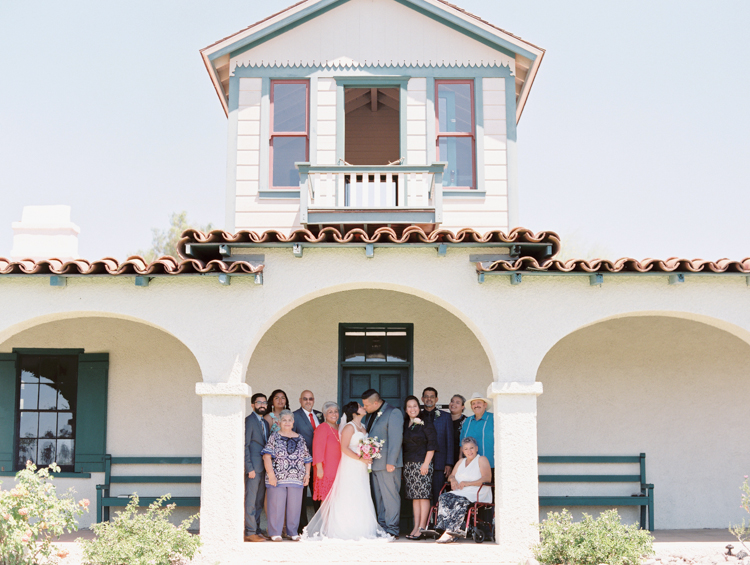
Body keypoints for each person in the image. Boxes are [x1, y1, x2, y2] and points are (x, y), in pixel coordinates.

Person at [302, 402, 391, 541]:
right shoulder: (340, 427)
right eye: (360, 406)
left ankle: (360, 526)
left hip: (353, 466)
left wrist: (369, 453)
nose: (364, 407)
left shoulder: (350, 427)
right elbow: (323, 448)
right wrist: (319, 467)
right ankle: (331, 528)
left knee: (357, 494)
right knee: (334, 497)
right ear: (354, 412)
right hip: (340, 466)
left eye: (335, 411)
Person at [262, 409, 312, 541]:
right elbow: (267, 456)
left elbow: (307, 458)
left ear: (293, 422)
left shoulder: (300, 438)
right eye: (284, 420)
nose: (287, 422)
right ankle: (275, 532)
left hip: (297, 478)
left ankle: (292, 532)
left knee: (294, 507)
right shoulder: (274, 437)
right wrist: (271, 475)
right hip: (277, 478)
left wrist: (307, 475)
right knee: (276, 505)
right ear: (279, 422)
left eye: (290, 420)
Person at [434, 436, 493, 543]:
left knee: (458, 500)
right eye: (466, 449)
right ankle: (444, 529)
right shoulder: (461, 461)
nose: (469, 451)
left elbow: (487, 478)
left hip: (476, 491)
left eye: (471, 448)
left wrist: (467, 483)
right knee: (444, 497)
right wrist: (453, 480)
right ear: (462, 450)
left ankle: (451, 531)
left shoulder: (481, 459)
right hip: (461, 491)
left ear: (476, 448)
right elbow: (451, 476)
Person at [361, 389, 403, 538]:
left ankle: (392, 529)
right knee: (379, 498)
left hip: (388, 464)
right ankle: (382, 526)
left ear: (376, 403)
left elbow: (396, 439)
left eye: (366, 405)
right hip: (375, 464)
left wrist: (391, 462)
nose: (364, 407)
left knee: (390, 496)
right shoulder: (371, 414)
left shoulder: (394, 413)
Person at [403, 395, 438, 540]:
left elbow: (432, 445)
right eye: (409, 406)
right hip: (410, 465)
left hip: (422, 464)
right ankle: (415, 527)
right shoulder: (406, 424)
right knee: (415, 498)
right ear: (406, 410)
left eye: (415, 406)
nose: (412, 409)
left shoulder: (426, 423)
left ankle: (422, 528)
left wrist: (425, 464)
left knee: (423, 497)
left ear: (419, 407)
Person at [292, 390, 323, 530]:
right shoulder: (294, 416)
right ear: (300, 400)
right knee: (302, 497)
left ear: (314, 400)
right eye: (305, 399)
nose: (308, 401)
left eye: (310, 398)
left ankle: (320, 525)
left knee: (319, 495)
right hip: (303, 463)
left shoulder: (320, 415)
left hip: (319, 463)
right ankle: (301, 527)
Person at [244, 393, 271, 542]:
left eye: (264, 402)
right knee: (251, 500)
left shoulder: (265, 423)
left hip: (263, 468)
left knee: (259, 501)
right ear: (252, 405)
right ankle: (249, 531)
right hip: (253, 469)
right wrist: (249, 468)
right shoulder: (249, 421)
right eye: (259, 402)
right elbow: (245, 445)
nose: (262, 405)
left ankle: (257, 529)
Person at [420, 387, 454, 504]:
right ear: (422, 399)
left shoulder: (445, 417)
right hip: (420, 462)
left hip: (440, 464)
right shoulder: (417, 416)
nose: (429, 399)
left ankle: (436, 521)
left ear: (436, 399)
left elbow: (450, 440)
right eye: (426, 396)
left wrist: (449, 463)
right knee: (422, 495)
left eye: (432, 396)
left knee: (438, 495)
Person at [312, 401, 341, 502]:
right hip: (326, 469)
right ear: (324, 414)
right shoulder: (322, 427)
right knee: (327, 500)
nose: (334, 414)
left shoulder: (340, 427)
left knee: (337, 499)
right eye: (330, 412)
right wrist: (319, 468)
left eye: (336, 411)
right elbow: (317, 449)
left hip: (339, 468)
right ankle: (325, 518)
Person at [459, 393, 494, 475]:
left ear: (485, 405)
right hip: (470, 466)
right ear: (471, 407)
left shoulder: (493, 418)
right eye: (473, 403)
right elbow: (462, 443)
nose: (476, 405)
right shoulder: (467, 421)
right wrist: (460, 460)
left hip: (491, 465)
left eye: (479, 403)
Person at [449, 394, 467, 466]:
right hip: (444, 459)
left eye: (457, 402)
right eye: (452, 401)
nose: (453, 404)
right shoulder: (444, 419)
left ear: (463, 406)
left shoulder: (466, 421)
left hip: (461, 458)